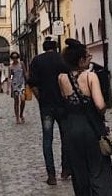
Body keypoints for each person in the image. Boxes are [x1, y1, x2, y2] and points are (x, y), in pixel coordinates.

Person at [58, 39, 112, 196]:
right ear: (81, 60)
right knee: (98, 170)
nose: (90, 58)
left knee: (79, 171)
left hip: (71, 129)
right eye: (88, 56)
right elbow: (100, 105)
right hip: (90, 129)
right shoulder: (90, 77)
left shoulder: (61, 78)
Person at [28, 37, 71, 185]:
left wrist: (41, 99)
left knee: (48, 139)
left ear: (44, 47)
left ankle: (51, 174)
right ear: (55, 46)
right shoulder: (63, 60)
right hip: (63, 105)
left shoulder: (37, 61)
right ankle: (66, 169)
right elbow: (69, 80)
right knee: (66, 137)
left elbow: (32, 84)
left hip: (46, 106)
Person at [9, 51, 27, 124]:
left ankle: (21, 114)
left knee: (23, 99)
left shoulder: (21, 64)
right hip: (15, 84)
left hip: (22, 83)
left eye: (16, 57)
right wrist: (9, 85)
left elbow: (25, 73)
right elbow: (10, 76)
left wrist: (28, 82)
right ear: (12, 58)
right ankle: (17, 117)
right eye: (13, 57)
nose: (15, 59)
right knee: (16, 101)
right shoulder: (11, 66)